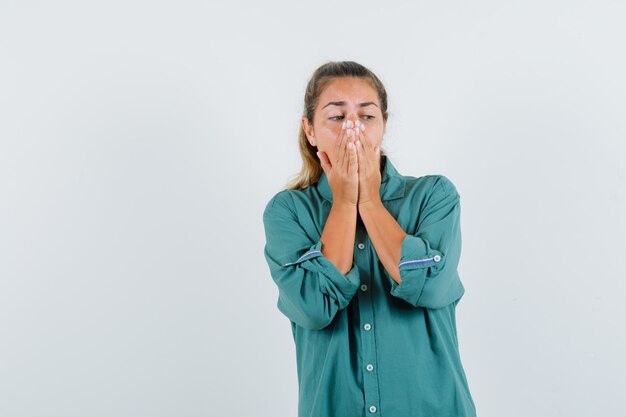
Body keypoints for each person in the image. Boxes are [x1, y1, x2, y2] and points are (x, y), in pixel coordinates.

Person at [262, 61, 477, 417]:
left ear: (384, 126)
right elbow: (314, 308)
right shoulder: (288, 211)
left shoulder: (433, 196)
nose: (353, 129)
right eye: (336, 116)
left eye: (367, 116)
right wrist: (345, 202)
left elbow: (432, 289)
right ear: (310, 130)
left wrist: (371, 202)